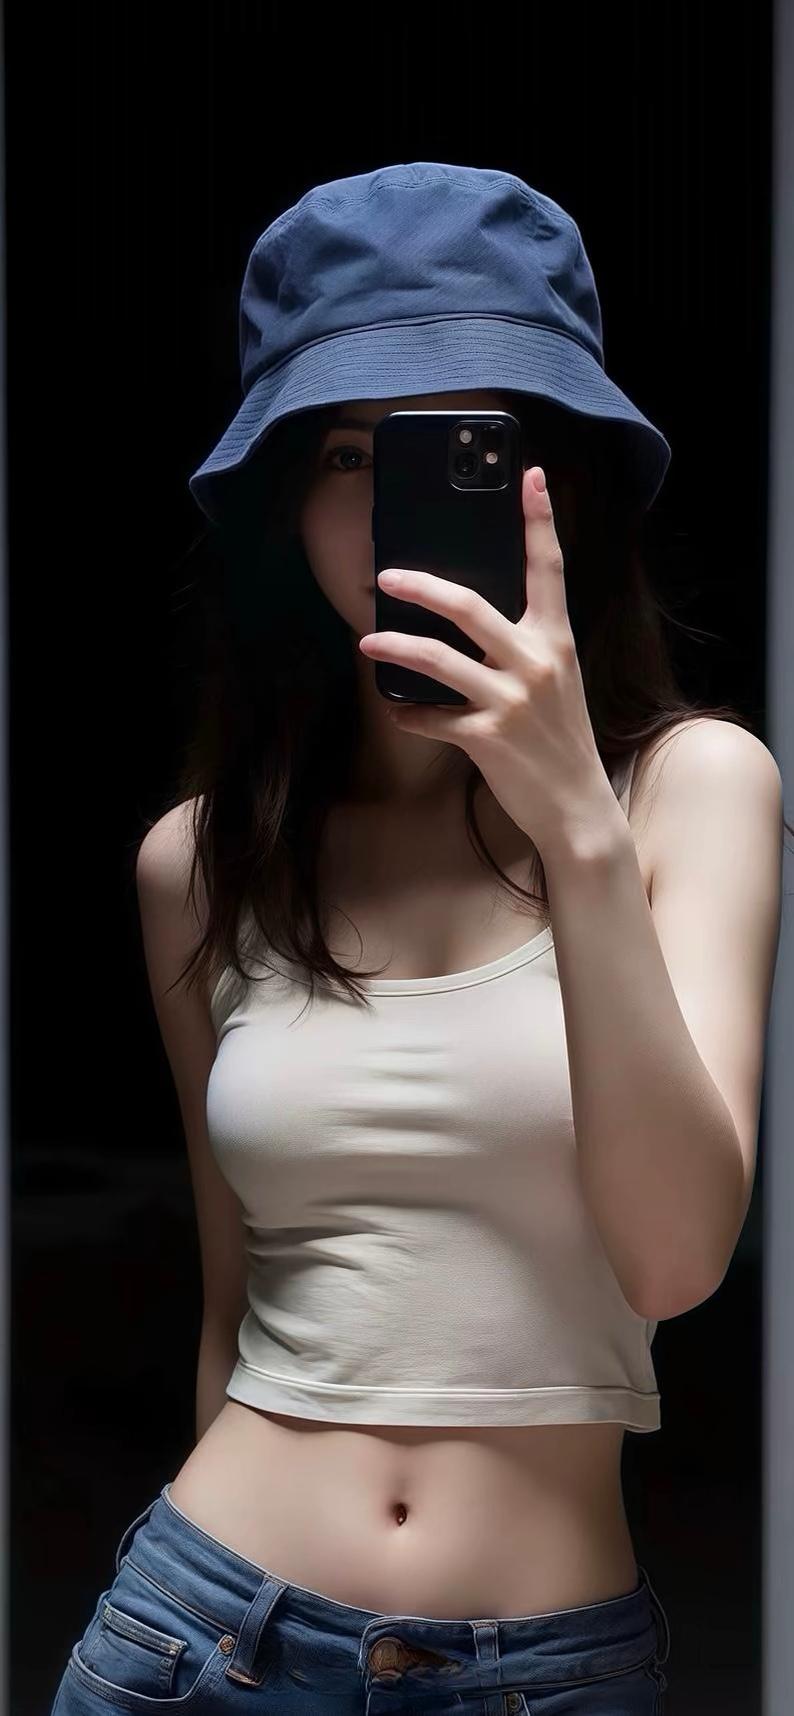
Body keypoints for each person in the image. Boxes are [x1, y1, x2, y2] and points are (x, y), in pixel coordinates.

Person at [51, 162, 784, 1714]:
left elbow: (670, 1260)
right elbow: (234, 1295)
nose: (396, 508)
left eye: (462, 445)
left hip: (545, 1670)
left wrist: (573, 824)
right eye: (346, 453)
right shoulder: (203, 861)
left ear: (557, 480)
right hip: (197, 1638)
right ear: (285, 502)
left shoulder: (694, 791)